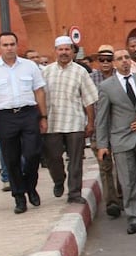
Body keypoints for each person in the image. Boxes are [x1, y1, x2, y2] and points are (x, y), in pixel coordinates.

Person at [0, 31, 47, 214]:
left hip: (28, 114)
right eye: (5, 45)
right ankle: (19, 196)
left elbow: (39, 92)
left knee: (33, 154)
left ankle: (30, 186)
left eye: (12, 44)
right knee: (11, 158)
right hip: (5, 117)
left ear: (17, 46)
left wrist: (43, 116)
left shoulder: (30, 66)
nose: (9, 48)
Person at [95, 49, 136, 234]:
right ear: (114, 64)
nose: (124, 61)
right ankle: (134, 216)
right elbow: (102, 118)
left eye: (126, 58)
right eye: (119, 59)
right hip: (121, 139)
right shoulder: (107, 86)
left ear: (130, 61)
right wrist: (102, 145)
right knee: (128, 179)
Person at [41, 35, 97, 204]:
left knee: (75, 160)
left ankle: (74, 193)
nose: (64, 52)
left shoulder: (80, 71)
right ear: (55, 51)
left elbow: (88, 99)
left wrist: (90, 122)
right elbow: (39, 97)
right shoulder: (46, 72)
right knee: (53, 158)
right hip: (52, 123)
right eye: (61, 49)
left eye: (67, 49)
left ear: (72, 52)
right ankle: (59, 180)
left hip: (74, 122)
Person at [89, 44, 124, 217]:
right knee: (105, 167)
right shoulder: (90, 78)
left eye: (108, 60)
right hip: (99, 130)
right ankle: (111, 203)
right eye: (101, 60)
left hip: (120, 130)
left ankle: (122, 195)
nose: (105, 63)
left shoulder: (122, 78)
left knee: (123, 165)